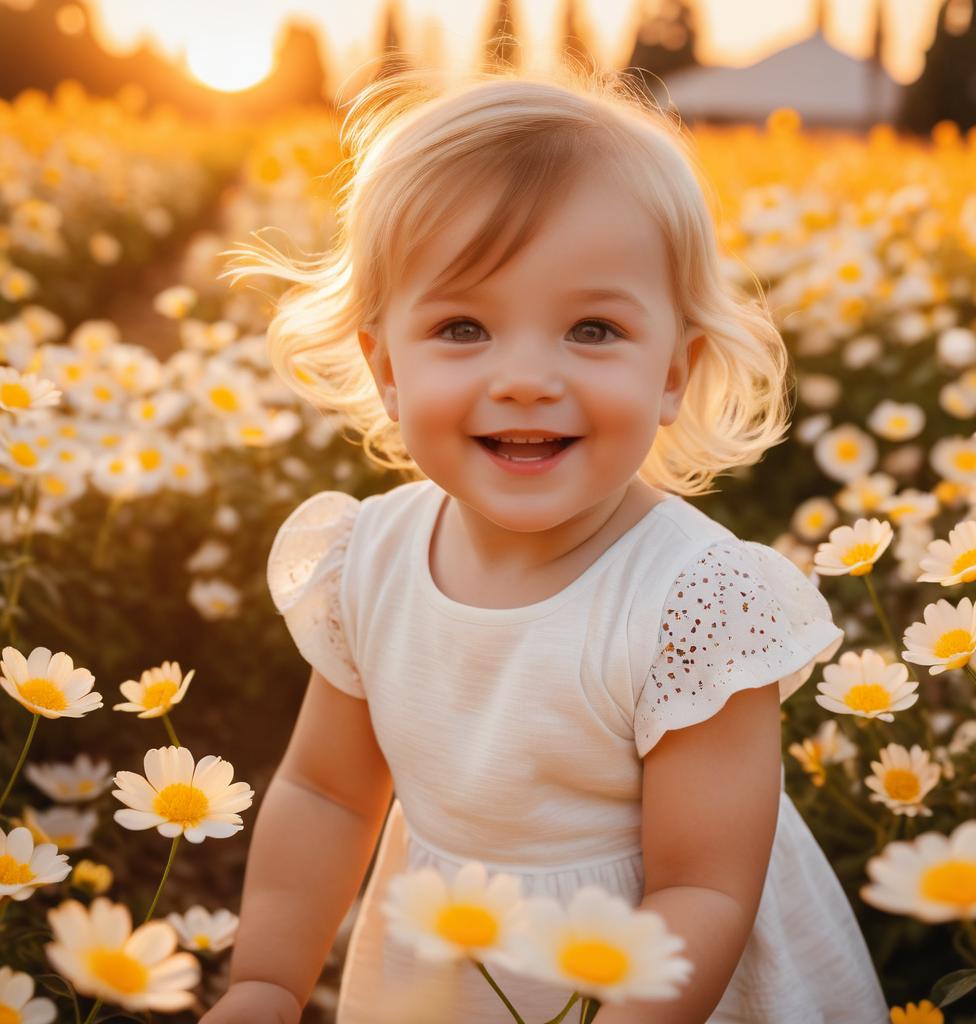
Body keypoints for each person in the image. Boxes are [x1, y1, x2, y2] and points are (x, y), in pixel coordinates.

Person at [202, 63, 890, 1024]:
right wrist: (269, 985)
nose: (525, 378)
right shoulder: (370, 559)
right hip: (453, 968)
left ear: (673, 373)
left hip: (659, 983)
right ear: (385, 366)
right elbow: (325, 795)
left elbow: (703, 891)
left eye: (594, 328)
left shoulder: (690, 599)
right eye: (464, 326)